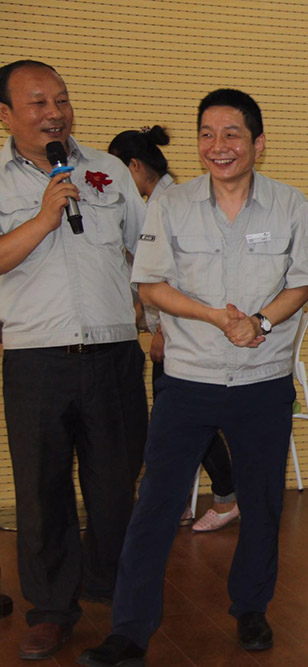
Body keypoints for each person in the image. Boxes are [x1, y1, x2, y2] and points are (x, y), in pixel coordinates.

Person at [78, 88, 308, 666]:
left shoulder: (289, 203)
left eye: (232, 133)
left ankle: (251, 607)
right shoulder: (172, 203)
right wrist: (216, 317)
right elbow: (150, 284)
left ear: (258, 143)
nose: (219, 146)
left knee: (261, 501)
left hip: (262, 379)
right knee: (156, 504)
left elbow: (303, 280)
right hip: (188, 379)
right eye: (207, 134)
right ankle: (130, 629)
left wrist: (260, 322)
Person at [0, 59, 148, 661]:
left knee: (116, 485)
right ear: (6, 115)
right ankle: (50, 611)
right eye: (38, 102)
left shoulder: (107, 171)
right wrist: (43, 219)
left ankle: (112, 589)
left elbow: (147, 255)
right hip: (35, 358)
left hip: (114, 353)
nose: (55, 112)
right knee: (42, 492)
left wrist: (159, 324)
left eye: (61, 99)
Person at [109, 125, 240, 532]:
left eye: (118, 172)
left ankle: (226, 496)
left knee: (188, 423)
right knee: (175, 425)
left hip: (186, 336)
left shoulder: (168, 203)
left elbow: (180, 281)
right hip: (178, 331)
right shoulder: (162, 200)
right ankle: (182, 501)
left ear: (134, 166)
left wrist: (163, 331)